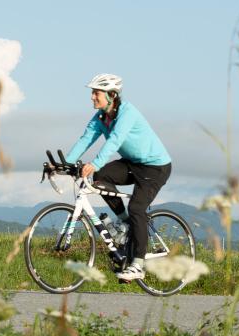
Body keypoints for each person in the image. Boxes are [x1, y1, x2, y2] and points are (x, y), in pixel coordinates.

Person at [64, 73, 172, 282]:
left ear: (111, 95)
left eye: (96, 93)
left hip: (155, 167)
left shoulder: (127, 113)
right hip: (133, 163)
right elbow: (85, 139)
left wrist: (94, 162)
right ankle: (124, 225)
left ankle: (138, 265)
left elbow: (114, 141)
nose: (92, 97)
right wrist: (65, 164)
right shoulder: (101, 118)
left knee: (136, 209)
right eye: (92, 93)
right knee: (101, 176)